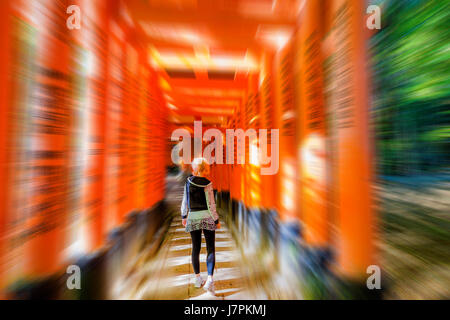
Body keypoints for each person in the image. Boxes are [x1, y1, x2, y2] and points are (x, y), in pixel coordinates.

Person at [181, 157, 220, 295]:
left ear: (195, 168)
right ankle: (210, 279)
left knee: (195, 247)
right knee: (210, 248)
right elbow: (211, 204)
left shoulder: (188, 182)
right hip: (207, 217)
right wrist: (216, 219)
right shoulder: (208, 183)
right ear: (205, 169)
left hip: (193, 217)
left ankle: (197, 278)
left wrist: (184, 216)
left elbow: (185, 200)